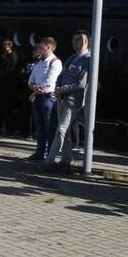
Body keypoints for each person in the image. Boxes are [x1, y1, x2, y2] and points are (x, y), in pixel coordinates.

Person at [41, 31, 90, 172]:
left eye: (77, 40)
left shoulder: (87, 59)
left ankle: (49, 161)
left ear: (85, 42)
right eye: (73, 39)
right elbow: (61, 75)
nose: (74, 42)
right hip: (62, 98)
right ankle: (66, 160)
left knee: (61, 130)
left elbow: (81, 84)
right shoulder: (72, 57)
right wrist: (57, 88)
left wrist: (62, 90)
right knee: (66, 132)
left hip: (73, 101)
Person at [27, 37, 61, 161]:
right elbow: (31, 79)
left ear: (48, 47)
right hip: (38, 97)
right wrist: (34, 90)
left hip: (48, 98)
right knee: (40, 127)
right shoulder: (39, 63)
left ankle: (50, 155)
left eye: (41, 46)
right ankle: (39, 152)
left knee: (50, 127)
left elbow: (49, 83)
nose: (39, 48)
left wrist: (34, 92)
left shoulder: (55, 62)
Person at [0, 39, 20, 134]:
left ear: (11, 46)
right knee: (0, 107)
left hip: (8, 85)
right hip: (1, 84)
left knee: (8, 108)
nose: (5, 46)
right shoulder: (1, 56)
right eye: (4, 45)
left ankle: (9, 129)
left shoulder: (13, 56)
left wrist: (3, 82)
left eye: (7, 45)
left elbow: (10, 70)